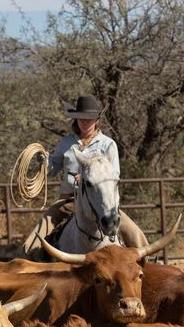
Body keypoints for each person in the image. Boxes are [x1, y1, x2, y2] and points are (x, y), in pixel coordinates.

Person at [24, 94, 148, 251]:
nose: (84, 122)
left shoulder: (108, 145)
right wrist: (45, 162)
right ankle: (29, 264)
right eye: (81, 118)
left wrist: (89, 179)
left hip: (102, 203)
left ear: (97, 120)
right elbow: (52, 170)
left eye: (89, 118)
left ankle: (147, 260)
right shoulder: (66, 142)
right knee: (34, 241)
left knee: (135, 234)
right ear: (75, 119)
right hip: (68, 201)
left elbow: (114, 176)